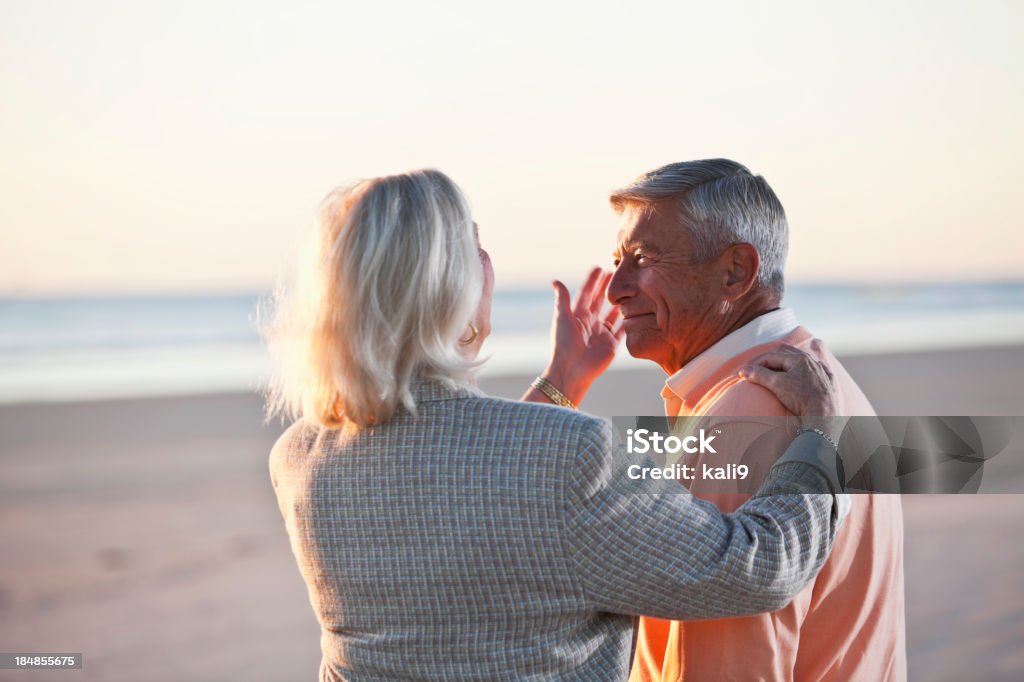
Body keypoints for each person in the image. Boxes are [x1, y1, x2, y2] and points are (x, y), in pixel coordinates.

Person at [265, 169, 846, 681]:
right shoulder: (570, 456)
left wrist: (561, 380)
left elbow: (476, 496)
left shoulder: (298, 459)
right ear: (450, 288)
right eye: (477, 249)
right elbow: (758, 568)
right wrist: (820, 436)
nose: (489, 266)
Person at [578, 159, 905, 682]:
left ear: (735, 271)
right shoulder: (820, 376)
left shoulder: (743, 418)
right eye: (617, 260)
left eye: (642, 259)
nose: (617, 288)